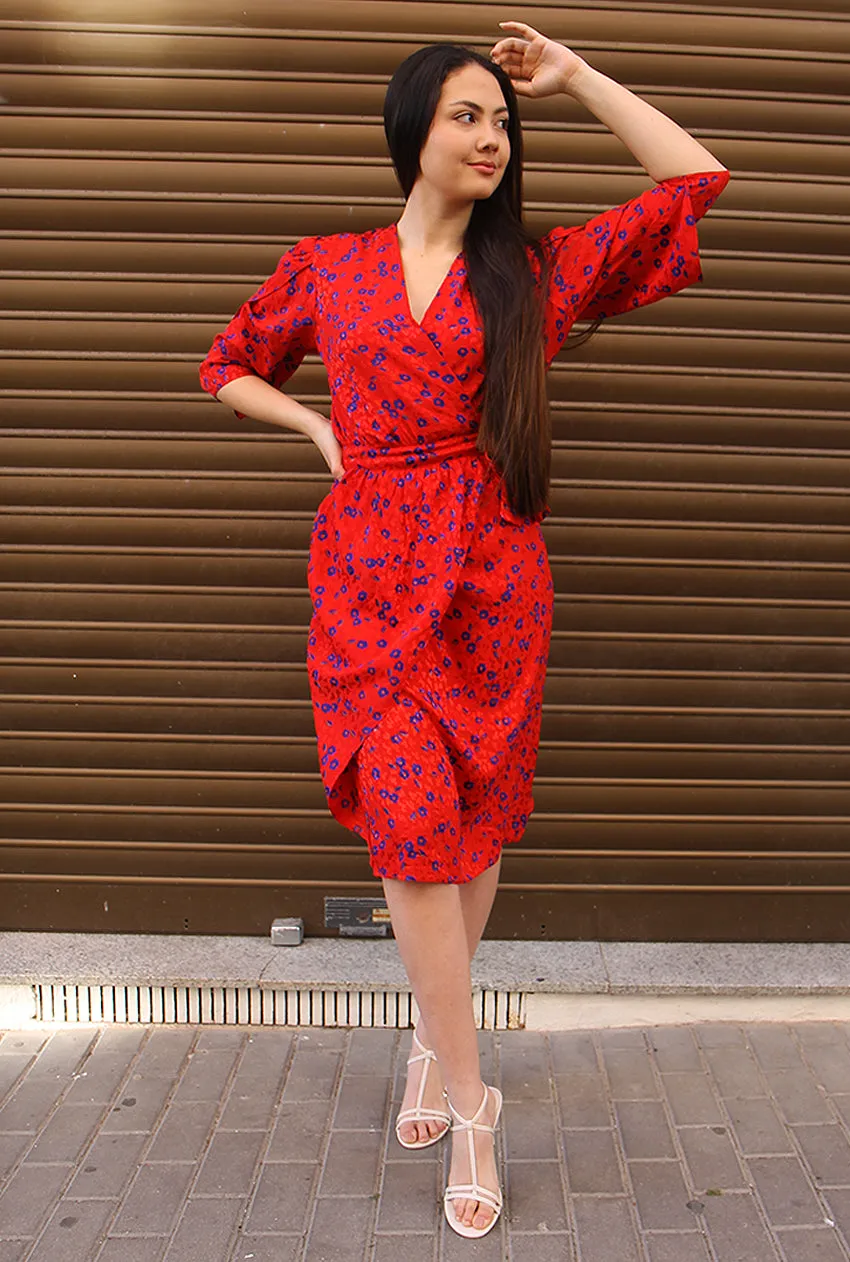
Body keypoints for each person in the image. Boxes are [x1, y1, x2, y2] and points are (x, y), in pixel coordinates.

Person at [200, 19, 728, 1239]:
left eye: (502, 117)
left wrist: (579, 76)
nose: (492, 134)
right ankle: (473, 1094)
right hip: (369, 579)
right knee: (411, 834)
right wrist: (319, 431)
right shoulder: (328, 267)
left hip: (491, 575)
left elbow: (694, 179)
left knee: (473, 820)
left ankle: (432, 1053)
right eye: (467, 114)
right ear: (411, 132)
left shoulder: (529, 276)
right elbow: (226, 361)